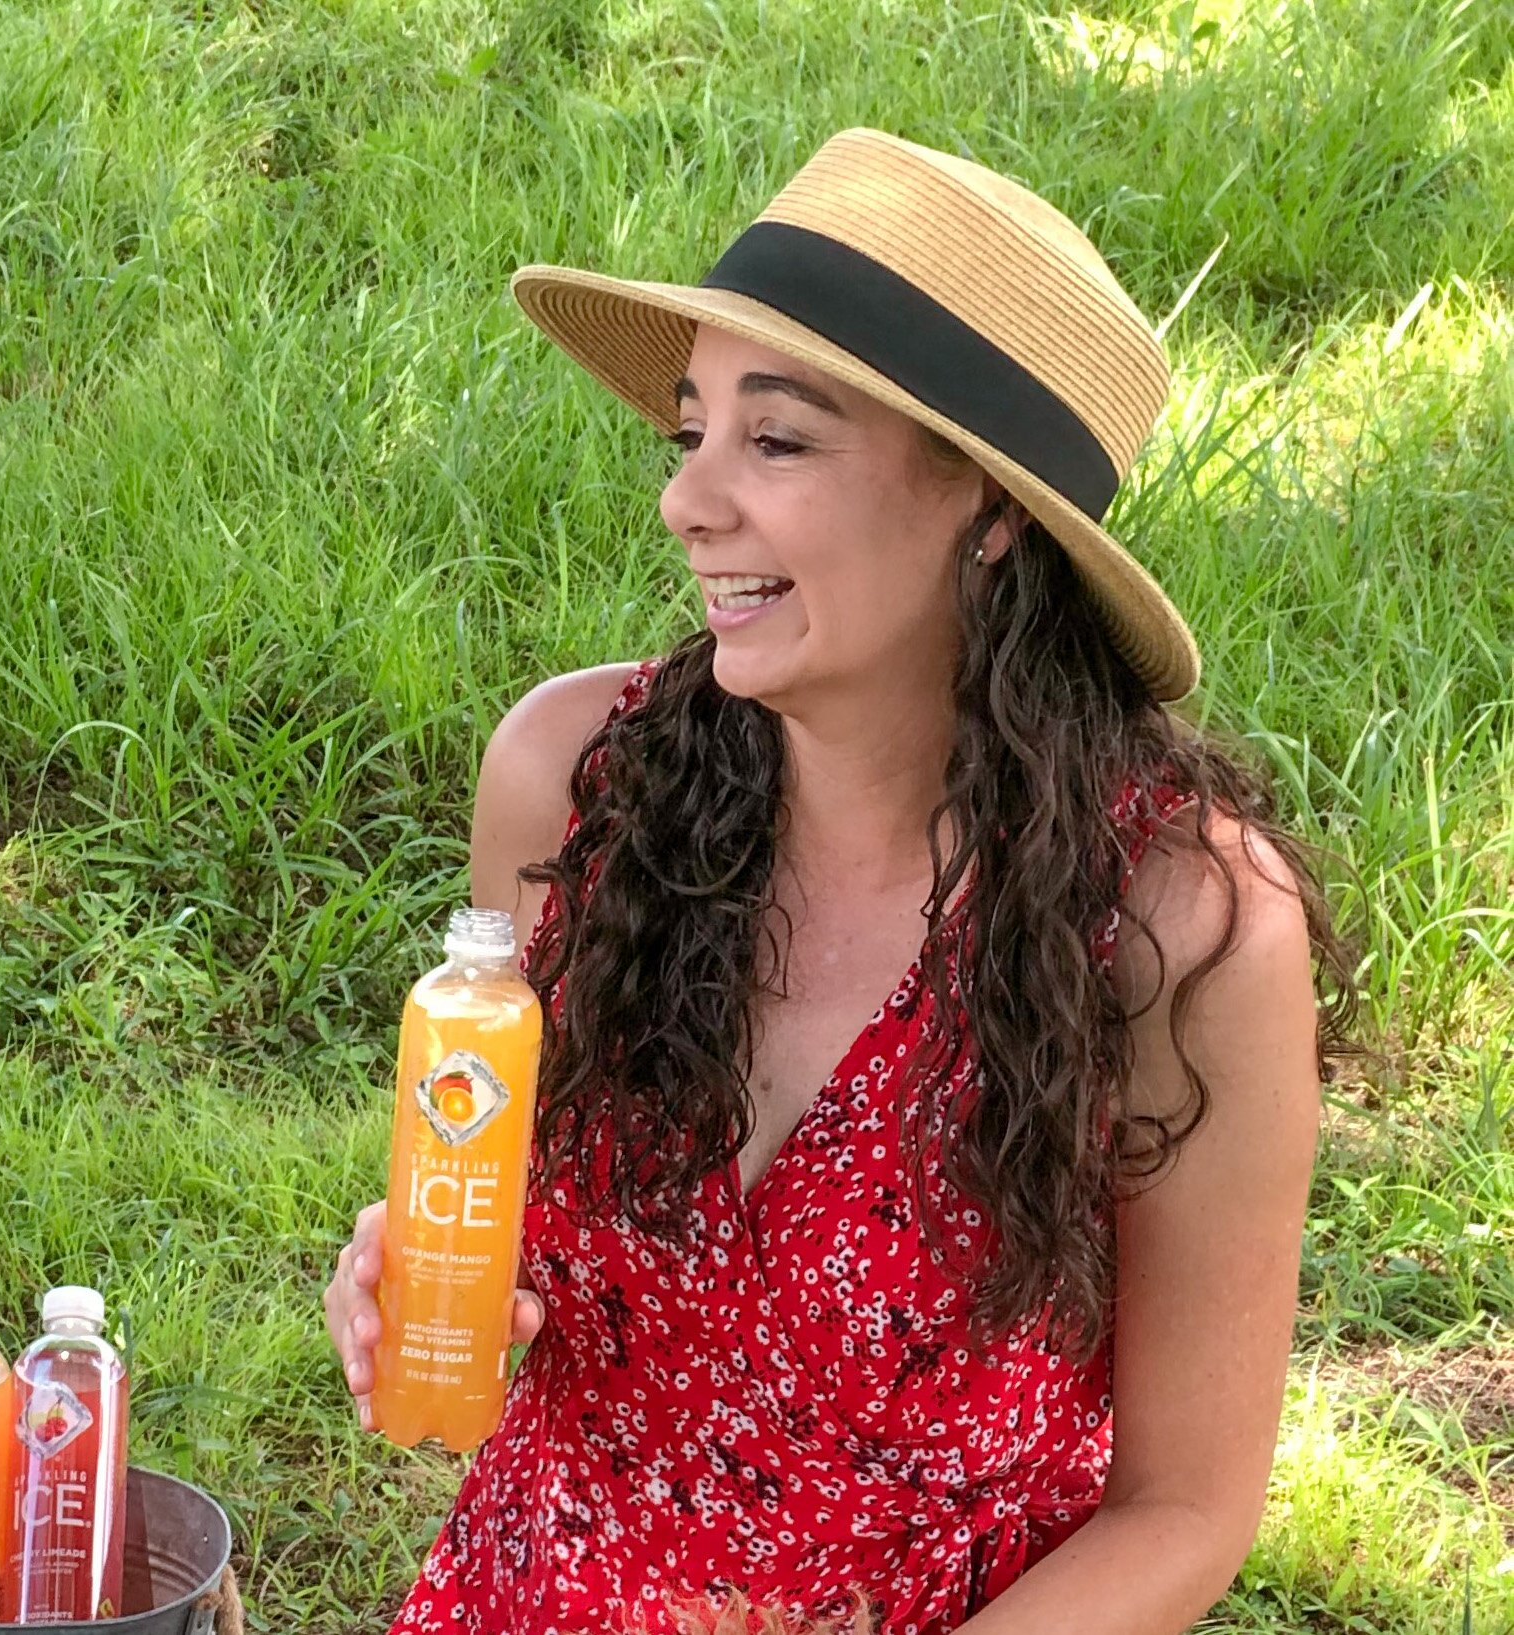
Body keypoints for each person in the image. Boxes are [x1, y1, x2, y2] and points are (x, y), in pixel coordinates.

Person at [323, 128, 1354, 1635]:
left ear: (992, 510)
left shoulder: (1179, 926)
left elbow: (1188, 1509)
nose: (689, 502)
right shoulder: (573, 779)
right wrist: (425, 1283)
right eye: (692, 433)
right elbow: (484, 1246)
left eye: (779, 440)